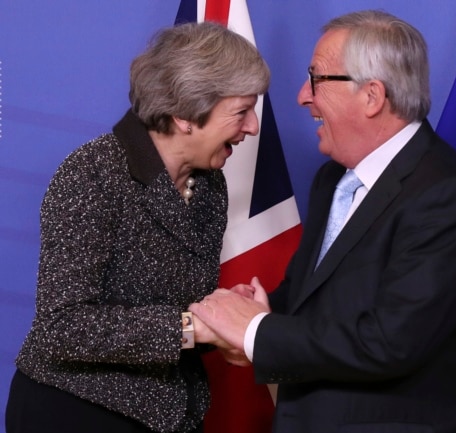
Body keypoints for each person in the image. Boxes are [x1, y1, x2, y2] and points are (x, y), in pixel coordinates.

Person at [191, 9, 456, 433]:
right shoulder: (333, 179)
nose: (302, 95)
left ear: (372, 96)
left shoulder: (443, 195)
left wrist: (257, 333)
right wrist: (256, 311)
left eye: (316, 78)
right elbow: (312, 299)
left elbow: (391, 342)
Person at [5, 21, 269, 433]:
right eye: (241, 111)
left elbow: (169, 303)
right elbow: (62, 326)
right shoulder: (92, 174)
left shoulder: (210, 184)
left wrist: (218, 314)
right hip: (77, 412)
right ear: (185, 114)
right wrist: (193, 327)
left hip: (170, 416)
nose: (253, 126)